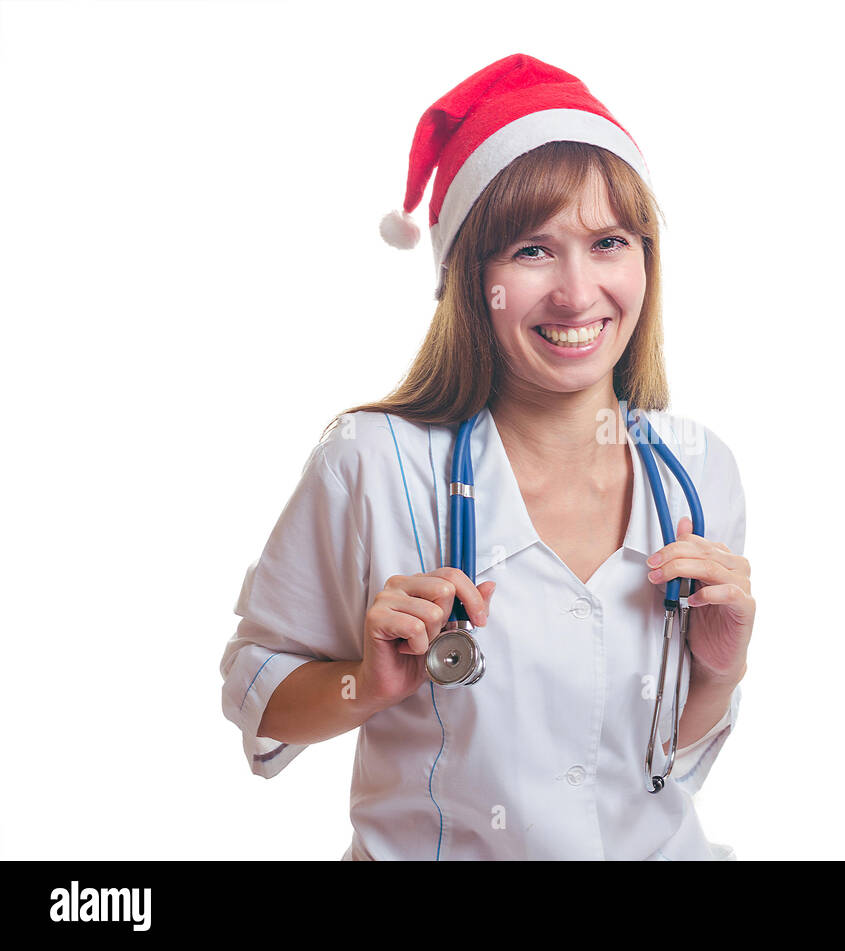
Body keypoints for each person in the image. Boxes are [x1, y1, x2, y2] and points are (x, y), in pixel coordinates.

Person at [218, 53, 756, 860]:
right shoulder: (372, 465)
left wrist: (718, 670)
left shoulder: (697, 471)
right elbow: (255, 689)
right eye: (532, 251)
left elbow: (657, 765)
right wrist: (367, 681)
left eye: (608, 241)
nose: (577, 294)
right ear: (472, 281)